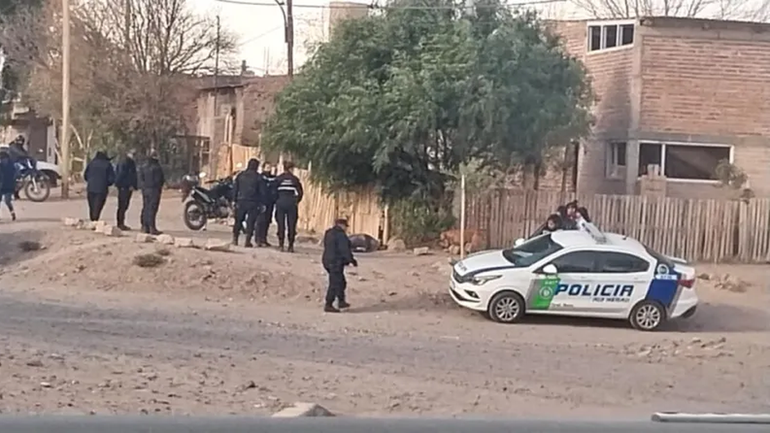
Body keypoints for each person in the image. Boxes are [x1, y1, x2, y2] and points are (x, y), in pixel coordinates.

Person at [322, 218, 357, 313]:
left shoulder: (328, 233)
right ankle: (328, 304)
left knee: (341, 281)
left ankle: (341, 301)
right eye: (346, 226)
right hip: (335, 262)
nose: (346, 229)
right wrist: (351, 260)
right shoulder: (341, 235)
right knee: (335, 283)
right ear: (341, 225)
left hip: (327, 261)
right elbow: (344, 249)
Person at [232, 158, 266, 247]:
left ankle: (235, 239)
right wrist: (262, 203)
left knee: (238, 221)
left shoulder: (240, 175)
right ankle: (247, 241)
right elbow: (262, 192)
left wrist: (234, 200)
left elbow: (235, 189)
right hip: (253, 202)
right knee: (250, 222)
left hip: (241, 201)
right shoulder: (258, 177)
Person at [272, 161, 304, 252]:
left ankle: (281, 245)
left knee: (281, 224)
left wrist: (276, 200)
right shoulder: (295, 179)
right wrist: (296, 201)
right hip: (291, 204)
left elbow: (273, 191)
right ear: (291, 169)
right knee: (291, 224)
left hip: (280, 203)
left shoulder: (278, 179)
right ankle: (290, 246)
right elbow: (300, 193)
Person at [138, 151, 165, 235]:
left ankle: (144, 226)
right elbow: (160, 179)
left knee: (145, 207)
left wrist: (143, 187)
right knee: (152, 209)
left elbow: (140, 179)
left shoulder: (143, 167)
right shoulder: (157, 167)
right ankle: (152, 227)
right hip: (154, 190)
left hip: (145, 190)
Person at [83, 150, 115, 222]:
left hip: (91, 188)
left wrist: (90, 181)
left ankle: (92, 220)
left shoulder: (91, 163)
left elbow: (85, 176)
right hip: (102, 189)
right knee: (98, 206)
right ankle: (95, 220)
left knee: (92, 206)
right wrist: (107, 183)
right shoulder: (107, 164)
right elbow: (111, 178)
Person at [114, 149, 138, 230]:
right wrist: (120, 184)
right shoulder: (126, 162)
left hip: (126, 187)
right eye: (133, 154)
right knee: (122, 205)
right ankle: (120, 223)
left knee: (124, 206)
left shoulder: (128, 162)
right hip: (124, 187)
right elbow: (123, 174)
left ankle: (121, 223)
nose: (134, 156)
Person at [255, 162, 277, 247]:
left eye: (270, 167)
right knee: (260, 221)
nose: (269, 169)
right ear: (263, 168)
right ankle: (258, 239)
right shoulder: (260, 178)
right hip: (261, 202)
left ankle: (264, 239)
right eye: (267, 167)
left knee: (267, 221)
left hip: (270, 202)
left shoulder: (273, 178)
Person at [0, 151, 17, 221]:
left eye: (4, 159)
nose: (3, 161)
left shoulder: (11, 165)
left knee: (7, 201)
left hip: (9, 186)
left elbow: (16, 174)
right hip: (1, 186)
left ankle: (12, 213)